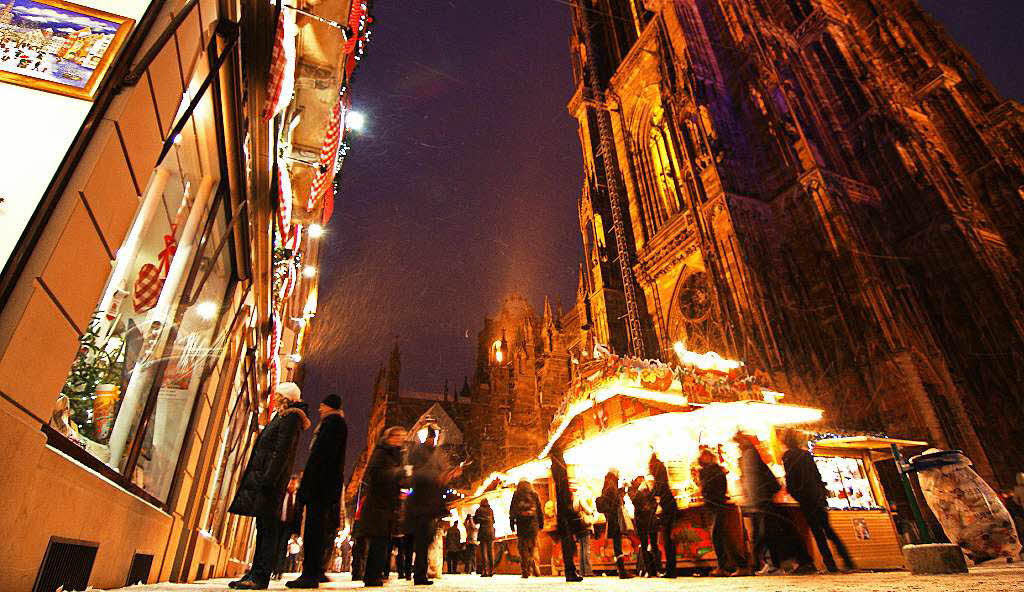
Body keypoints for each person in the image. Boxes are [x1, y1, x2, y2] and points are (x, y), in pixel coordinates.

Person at [227, 383, 310, 590]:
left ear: (286, 398)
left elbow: (280, 452)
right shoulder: (284, 416)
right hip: (267, 480)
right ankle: (255, 573)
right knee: (263, 528)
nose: (275, 397)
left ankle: (260, 576)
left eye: (279, 394)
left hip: (270, 483)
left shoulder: (290, 418)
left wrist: (268, 479)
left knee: (268, 529)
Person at [288, 394, 348, 588]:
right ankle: (315, 571)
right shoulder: (335, 424)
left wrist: (308, 484)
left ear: (330, 407)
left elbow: (321, 458)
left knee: (314, 530)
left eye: (322, 406)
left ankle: (310, 574)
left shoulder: (333, 424)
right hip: (323, 486)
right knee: (317, 530)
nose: (319, 409)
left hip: (319, 486)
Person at [734, 431, 815, 575]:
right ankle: (780, 563)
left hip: (761, 502)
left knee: (769, 534)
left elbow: (754, 480)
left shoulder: (748, 455)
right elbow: (763, 477)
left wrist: (754, 501)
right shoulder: (751, 454)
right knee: (775, 533)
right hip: (763, 501)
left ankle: (775, 564)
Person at [781, 430, 855, 573]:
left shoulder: (788, 457)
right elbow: (816, 475)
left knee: (818, 533)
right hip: (817, 497)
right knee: (829, 531)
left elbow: (790, 479)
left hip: (806, 499)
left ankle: (830, 564)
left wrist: (794, 494)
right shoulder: (806, 455)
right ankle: (847, 560)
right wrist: (821, 494)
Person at [404, 425, 461, 585]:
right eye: (431, 437)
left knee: (427, 539)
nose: (433, 440)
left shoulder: (435, 453)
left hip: (431, 503)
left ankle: (420, 572)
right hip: (421, 502)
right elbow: (417, 474)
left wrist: (450, 474)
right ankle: (419, 575)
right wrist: (438, 476)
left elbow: (440, 474)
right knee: (422, 540)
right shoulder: (417, 452)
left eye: (434, 438)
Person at [360, 426, 407, 587]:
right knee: (378, 541)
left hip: (387, 505)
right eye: (398, 436)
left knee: (382, 542)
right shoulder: (381, 452)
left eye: (403, 436)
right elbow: (378, 475)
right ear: (390, 437)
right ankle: (372, 576)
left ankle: (374, 574)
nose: (401, 439)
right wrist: (399, 472)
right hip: (378, 505)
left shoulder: (396, 454)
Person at [697, 448, 750, 576]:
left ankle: (735, 565)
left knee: (721, 536)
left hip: (717, 505)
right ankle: (728, 566)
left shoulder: (711, 470)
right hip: (717, 505)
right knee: (722, 536)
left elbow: (709, 489)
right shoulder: (714, 470)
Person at [550, 445, 584, 582]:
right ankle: (570, 572)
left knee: (568, 544)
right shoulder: (560, 470)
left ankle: (570, 571)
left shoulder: (556, 468)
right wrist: (570, 508)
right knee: (568, 544)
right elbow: (563, 493)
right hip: (565, 514)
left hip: (563, 514)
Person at [597, 469, 633, 578]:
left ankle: (621, 570)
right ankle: (622, 571)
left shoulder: (607, 486)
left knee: (617, 544)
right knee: (617, 545)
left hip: (612, 519)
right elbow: (615, 503)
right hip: (615, 519)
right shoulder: (611, 487)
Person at [649, 452, 678, 578]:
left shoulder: (659, 477)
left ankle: (671, 570)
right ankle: (671, 569)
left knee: (667, 540)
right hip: (668, 507)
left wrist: (651, 494)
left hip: (667, 509)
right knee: (667, 539)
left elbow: (658, 489)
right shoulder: (662, 475)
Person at [509, 479, 543, 578]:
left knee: (522, 548)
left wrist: (512, 523)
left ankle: (525, 571)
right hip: (533, 525)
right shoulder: (534, 494)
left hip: (521, 525)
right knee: (533, 547)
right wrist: (541, 523)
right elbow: (539, 510)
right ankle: (534, 565)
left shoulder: (516, 495)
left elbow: (512, 510)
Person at [273, 475, 303, 580]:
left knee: (282, 547)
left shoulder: (297, 497)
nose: (292, 485)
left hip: (288, 525)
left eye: (294, 483)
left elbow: (299, 514)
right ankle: (272, 568)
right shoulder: (282, 494)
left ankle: (278, 570)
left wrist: (297, 531)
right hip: (278, 523)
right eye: (291, 483)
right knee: (274, 545)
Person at [628, 475, 658, 576]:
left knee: (653, 544)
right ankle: (649, 570)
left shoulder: (648, 489)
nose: (642, 480)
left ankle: (655, 569)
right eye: (639, 478)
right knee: (645, 545)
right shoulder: (634, 490)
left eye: (642, 478)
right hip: (642, 521)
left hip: (650, 520)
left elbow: (654, 503)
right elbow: (635, 501)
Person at [573, 485, 597, 577]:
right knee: (586, 549)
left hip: (579, 526)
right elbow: (588, 510)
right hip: (585, 525)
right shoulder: (582, 498)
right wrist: (592, 510)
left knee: (582, 549)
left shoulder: (575, 499)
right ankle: (588, 570)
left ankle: (582, 570)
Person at [474, 499, 496, 576]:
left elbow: (475, 521)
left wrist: (481, 520)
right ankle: (492, 570)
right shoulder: (490, 510)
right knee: (490, 552)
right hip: (491, 531)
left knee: (484, 552)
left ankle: (485, 570)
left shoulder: (479, 510)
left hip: (483, 531)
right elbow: (493, 521)